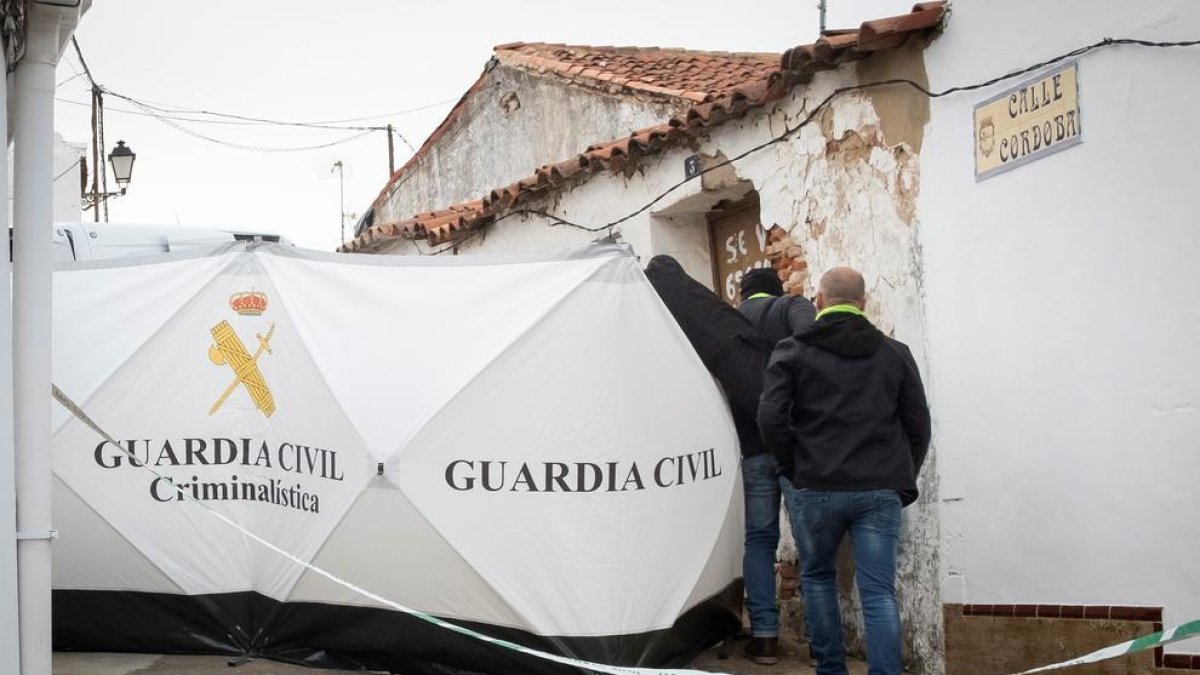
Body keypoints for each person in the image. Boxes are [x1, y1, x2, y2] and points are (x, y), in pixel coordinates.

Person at [757, 267, 930, 675]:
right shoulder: (894, 353)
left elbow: (769, 417)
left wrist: (791, 467)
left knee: (817, 579)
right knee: (878, 593)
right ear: (863, 303)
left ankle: (831, 670)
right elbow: (918, 424)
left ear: (818, 300)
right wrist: (902, 473)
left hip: (815, 486)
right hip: (880, 490)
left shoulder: (792, 350)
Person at [735, 268, 815, 665]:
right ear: (776, 291)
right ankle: (822, 643)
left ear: (742, 294)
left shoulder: (728, 322)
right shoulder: (790, 308)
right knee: (810, 538)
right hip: (795, 446)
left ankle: (764, 636)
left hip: (752, 450)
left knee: (759, 540)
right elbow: (811, 340)